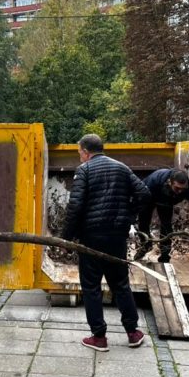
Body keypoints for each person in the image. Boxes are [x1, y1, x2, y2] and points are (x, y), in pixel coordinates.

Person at [63, 134, 152, 352]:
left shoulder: (84, 170)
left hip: (91, 236)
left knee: (91, 286)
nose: (80, 158)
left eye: (79, 154)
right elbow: (145, 194)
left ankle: (99, 337)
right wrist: (127, 216)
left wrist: (66, 237)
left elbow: (75, 206)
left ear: (85, 151)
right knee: (120, 283)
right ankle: (133, 333)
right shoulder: (122, 168)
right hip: (116, 236)